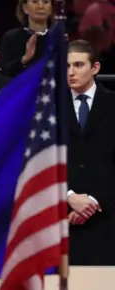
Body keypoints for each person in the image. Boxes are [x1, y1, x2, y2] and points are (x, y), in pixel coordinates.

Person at [65, 40, 115, 265]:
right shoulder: (48, 109)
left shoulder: (112, 103)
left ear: (95, 68)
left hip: (106, 219)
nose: (71, 72)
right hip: (63, 221)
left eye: (78, 65)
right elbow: (39, 159)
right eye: (66, 67)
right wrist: (69, 197)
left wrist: (94, 201)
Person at [0, 0, 53, 78]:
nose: (41, 6)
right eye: (35, 1)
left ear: (51, 8)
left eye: (45, 2)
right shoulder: (11, 38)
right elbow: (3, 72)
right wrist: (24, 59)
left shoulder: (58, 38)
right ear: (25, 8)